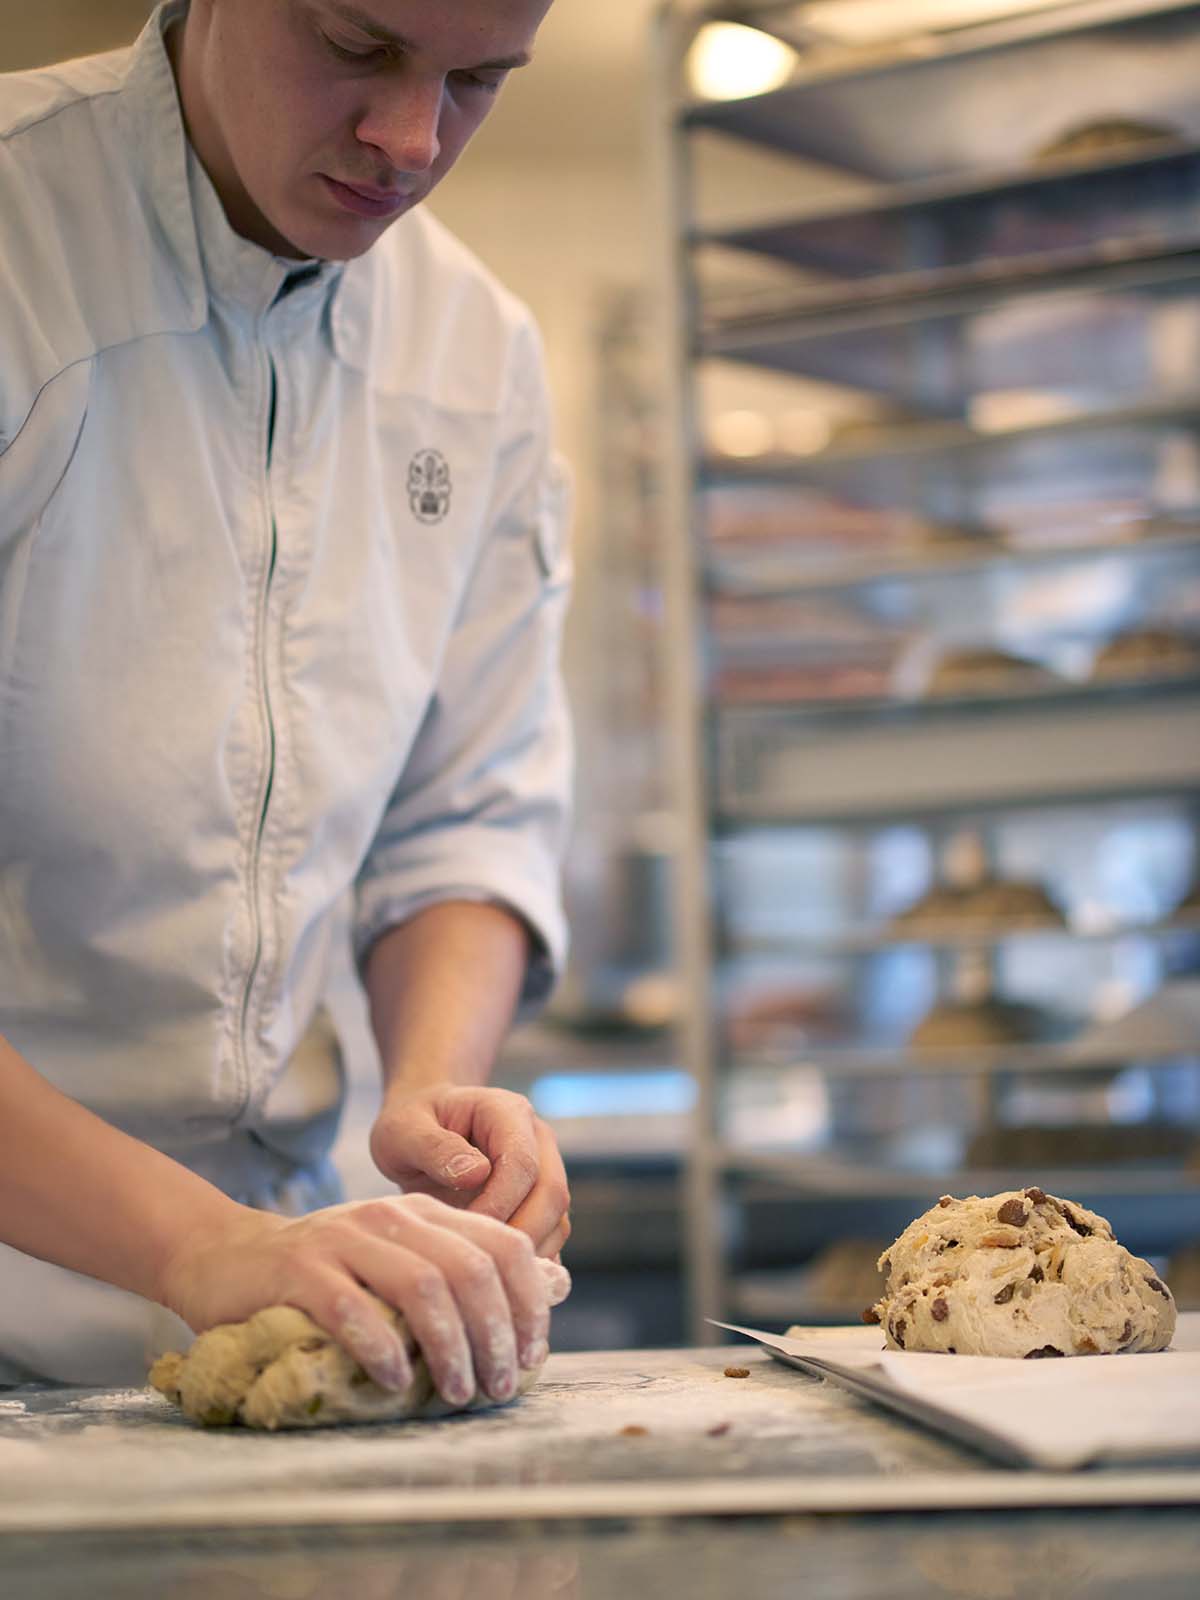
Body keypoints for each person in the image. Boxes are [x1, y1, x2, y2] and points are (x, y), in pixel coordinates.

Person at [0, 0, 574, 1405]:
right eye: (358, 46)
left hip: (267, 1309)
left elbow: (461, 818)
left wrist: (431, 1102)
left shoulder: (472, 352)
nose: (411, 137)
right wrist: (197, 1244)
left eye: (479, 80)